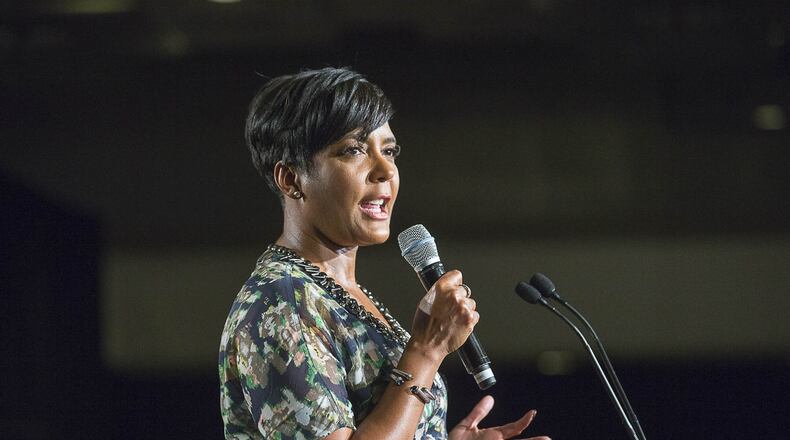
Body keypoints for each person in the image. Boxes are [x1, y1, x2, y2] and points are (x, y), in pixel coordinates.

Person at [218, 67, 550, 440]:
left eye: (388, 150)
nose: (384, 169)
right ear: (291, 179)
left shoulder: (334, 292)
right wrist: (426, 349)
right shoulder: (282, 303)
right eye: (354, 150)